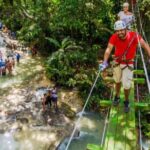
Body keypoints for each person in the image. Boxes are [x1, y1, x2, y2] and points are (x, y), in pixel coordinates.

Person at [99, 20, 150, 112]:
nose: (119, 32)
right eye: (117, 31)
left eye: (121, 30)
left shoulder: (134, 36)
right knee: (117, 80)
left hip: (128, 63)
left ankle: (126, 100)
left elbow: (145, 45)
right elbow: (109, 48)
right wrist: (105, 62)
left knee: (126, 85)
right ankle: (117, 96)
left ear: (126, 29)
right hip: (117, 61)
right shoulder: (114, 37)